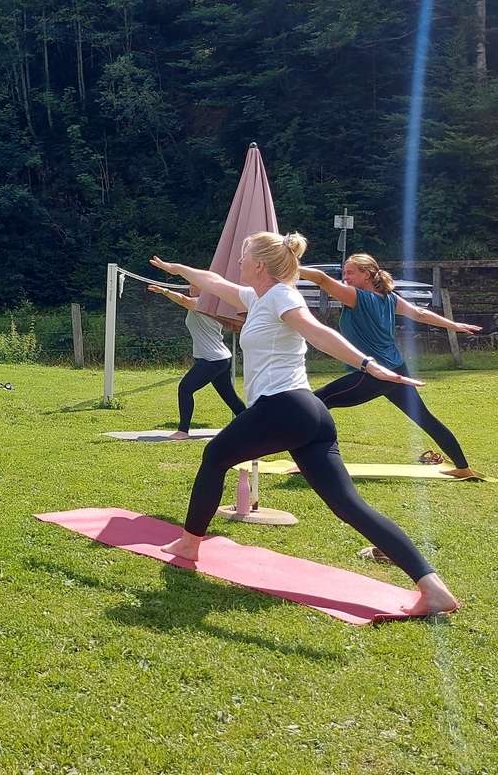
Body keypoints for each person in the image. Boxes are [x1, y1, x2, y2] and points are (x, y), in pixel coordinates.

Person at [148, 233, 459, 616]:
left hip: (284, 407)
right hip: (307, 413)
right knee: (347, 504)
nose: (239, 262)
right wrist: (173, 269)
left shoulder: (282, 296)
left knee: (214, 456)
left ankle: (189, 544)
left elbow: (318, 333)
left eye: (244, 257)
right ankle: (433, 588)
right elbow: (213, 282)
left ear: (260, 265)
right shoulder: (256, 297)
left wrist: (367, 365)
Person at [301, 255, 482, 477]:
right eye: (344, 273)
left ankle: (313, 464)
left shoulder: (357, 297)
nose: (345, 278)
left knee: (313, 406)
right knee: (425, 418)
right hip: (397, 370)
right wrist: (453, 325)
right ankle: (463, 468)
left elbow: (320, 278)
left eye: (350, 273)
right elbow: (419, 313)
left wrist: (287, 266)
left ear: (366, 274)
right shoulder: (389, 298)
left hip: (373, 374)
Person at [146, 284, 246, 438]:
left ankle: (182, 431)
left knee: (185, 389)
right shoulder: (209, 305)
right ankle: (254, 427)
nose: (191, 286)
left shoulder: (203, 304)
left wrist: (164, 291)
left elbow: (183, 300)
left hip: (212, 359)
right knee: (229, 396)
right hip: (219, 358)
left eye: (195, 284)